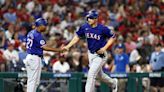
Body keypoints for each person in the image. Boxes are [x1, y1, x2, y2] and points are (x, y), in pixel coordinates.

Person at [62, 10, 118, 92]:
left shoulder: (102, 28)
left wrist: (104, 48)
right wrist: (68, 46)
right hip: (90, 54)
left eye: (91, 18)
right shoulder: (85, 27)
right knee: (100, 75)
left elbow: (113, 37)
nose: (88, 20)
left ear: (96, 19)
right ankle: (113, 83)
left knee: (91, 75)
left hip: (100, 54)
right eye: (88, 18)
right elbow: (77, 37)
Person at [23, 18, 62, 92]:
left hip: (31, 57)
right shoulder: (37, 35)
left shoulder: (31, 32)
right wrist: (59, 50)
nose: (45, 27)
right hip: (34, 58)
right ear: (40, 25)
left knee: (35, 82)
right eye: (44, 25)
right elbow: (45, 47)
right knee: (33, 81)